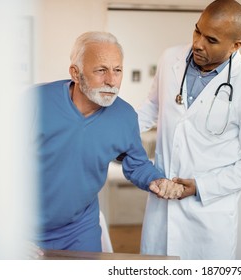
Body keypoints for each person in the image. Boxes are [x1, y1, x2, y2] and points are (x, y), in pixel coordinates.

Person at [137, 0, 241, 259]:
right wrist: (112, 132)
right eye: (197, 31)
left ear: (235, 46)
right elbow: (151, 108)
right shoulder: (170, 59)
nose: (198, 43)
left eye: (211, 40)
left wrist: (200, 186)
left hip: (208, 217)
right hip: (161, 209)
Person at [30, 31, 183, 253]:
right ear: (75, 72)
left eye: (117, 70)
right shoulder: (35, 102)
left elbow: (137, 163)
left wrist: (157, 180)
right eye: (101, 70)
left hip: (79, 228)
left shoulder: (124, 116)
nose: (111, 81)